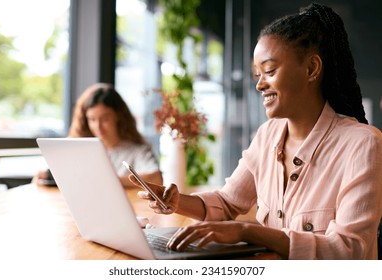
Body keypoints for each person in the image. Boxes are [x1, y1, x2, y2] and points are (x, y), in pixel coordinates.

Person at [130, 3, 382, 259]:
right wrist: (176, 201)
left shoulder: (363, 144)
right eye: (257, 75)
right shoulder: (268, 135)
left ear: (311, 69)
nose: (260, 84)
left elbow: (350, 251)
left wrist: (247, 232)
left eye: (270, 71)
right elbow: (228, 202)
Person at [35, 83, 163, 188]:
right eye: (92, 119)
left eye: (105, 119)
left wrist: (107, 182)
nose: (98, 127)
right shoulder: (79, 149)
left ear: (118, 116)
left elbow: (156, 179)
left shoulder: (137, 151)